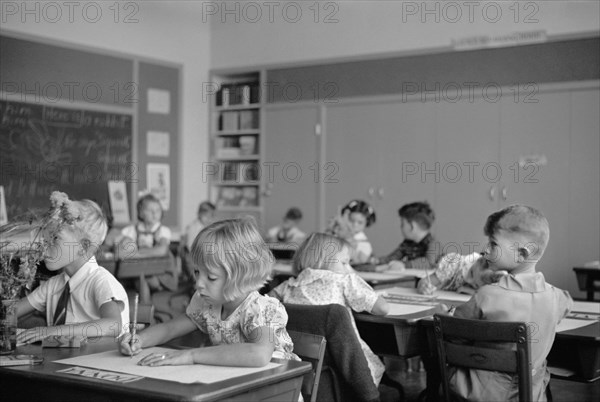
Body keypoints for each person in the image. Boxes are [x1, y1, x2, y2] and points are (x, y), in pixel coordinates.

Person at [118, 218, 299, 368]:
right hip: (237, 385)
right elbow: (170, 328)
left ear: (241, 277)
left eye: (211, 277)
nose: (198, 284)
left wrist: (192, 355)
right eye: (197, 272)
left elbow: (258, 354)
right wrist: (139, 340)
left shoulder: (261, 309)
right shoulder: (207, 303)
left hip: (278, 390)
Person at [449, 205, 572, 401]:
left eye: (493, 244)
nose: (485, 249)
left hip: (478, 393)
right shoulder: (558, 297)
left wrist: (445, 314)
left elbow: (454, 334)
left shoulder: (486, 296)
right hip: (530, 394)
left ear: (522, 254)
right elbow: (564, 306)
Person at [269, 232, 389, 386]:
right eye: (345, 263)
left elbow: (265, 305)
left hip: (300, 362)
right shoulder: (344, 281)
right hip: (347, 362)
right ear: (323, 260)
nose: (349, 269)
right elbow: (382, 309)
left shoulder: (287, 286)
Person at [16, 191, 129, 343]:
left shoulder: (100, 281)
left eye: (55, 238)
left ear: (83, 247)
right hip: (60, 363)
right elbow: (11, 312)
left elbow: (113, 325)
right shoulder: (54, 285)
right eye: (45, 237)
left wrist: (52, 331)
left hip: (99, 364)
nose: (44, 245)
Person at [117, 194, 178, 300]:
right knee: (137, 276)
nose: (154, 213)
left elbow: (162, 250)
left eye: (158, 210)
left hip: (160, 272)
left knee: (143, 277)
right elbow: (121, 253)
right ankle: (137, 310)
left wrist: (136, 254)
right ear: (141, 213)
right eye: (150, 210)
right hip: (135, 271)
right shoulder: (131, 230)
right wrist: (148, 252)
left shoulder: (163, 231)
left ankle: (145, 310)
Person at [368, 201, 441, 271]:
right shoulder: (407, 244)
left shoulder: (433, 244)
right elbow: (393, 258)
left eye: (402, 224)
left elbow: (428, 263)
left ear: (412, 226)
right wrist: (375, 260)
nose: (401, 227)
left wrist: (404, 265)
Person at [417, 252, 508, 295]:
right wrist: (423, 286)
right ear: (479, 260)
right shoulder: (454, 265)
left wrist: (472, 291)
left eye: (476, 285)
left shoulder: (490, 278)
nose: (471, 282)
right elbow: (425, 281)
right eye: (471, 274)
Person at [327, 200, 376, 264]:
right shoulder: (339, 232)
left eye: (360, 222)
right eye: (352, 220)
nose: (355, 225)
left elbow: (361, 261)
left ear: (367, 223)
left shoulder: (364, 243)